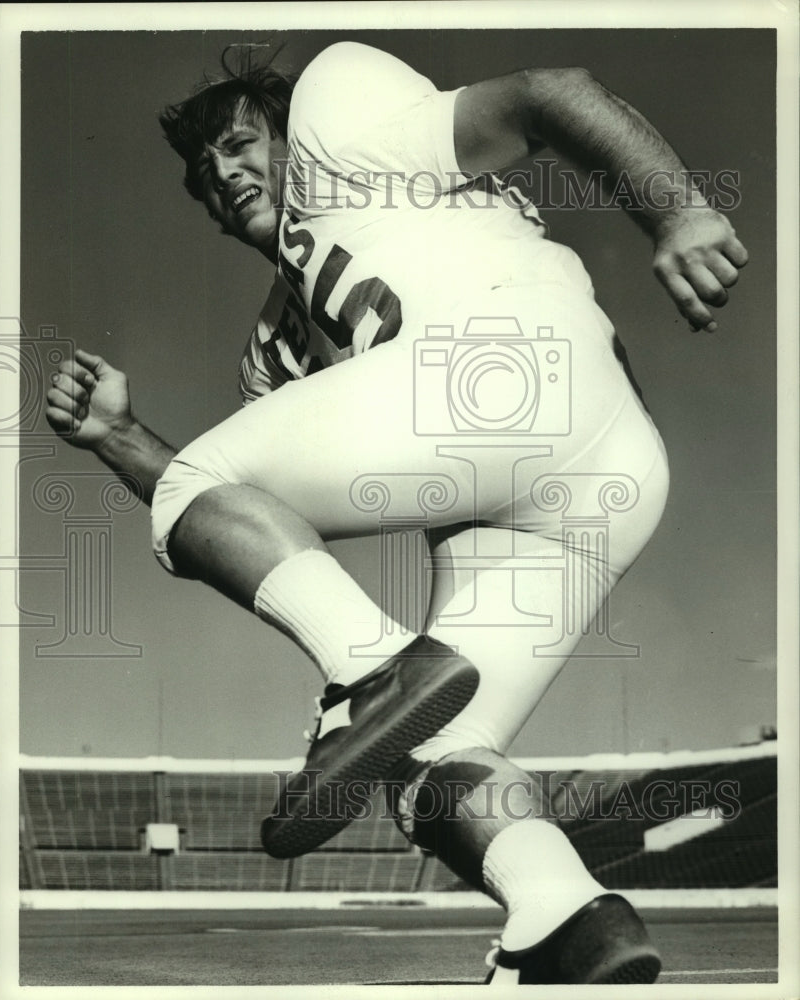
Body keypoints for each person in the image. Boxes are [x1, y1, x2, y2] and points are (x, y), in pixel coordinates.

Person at [46, 40, 748, 985]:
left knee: (204, 492)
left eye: (241, 144)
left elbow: (550, 94)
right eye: (204, 173)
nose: (223, 172)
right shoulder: (278, 342)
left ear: (287, 138)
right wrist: (119, 436)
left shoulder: (338, 110)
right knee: (431, 754)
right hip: (598, 472)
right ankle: (565, 916)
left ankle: (366, 674)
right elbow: (236, 512)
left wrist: (678, 210)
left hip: (508, 369)